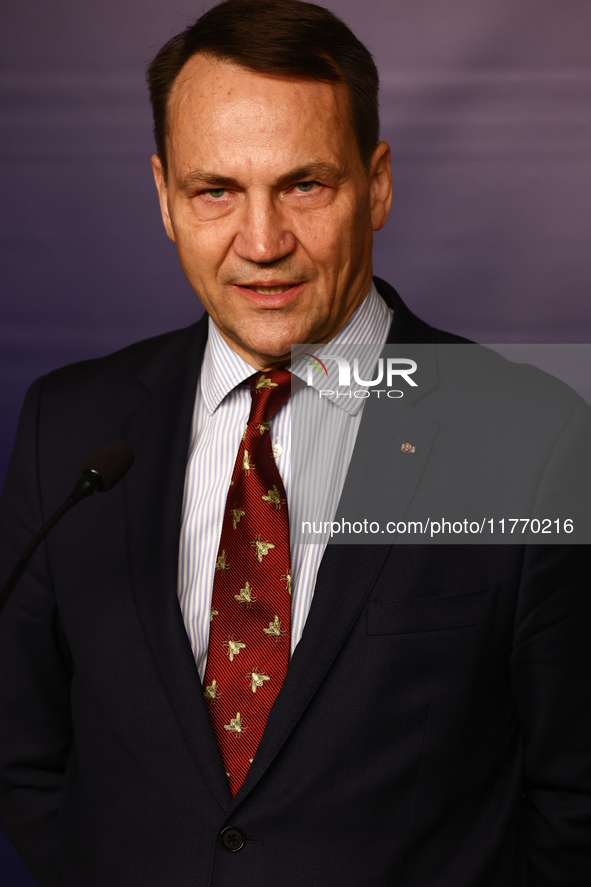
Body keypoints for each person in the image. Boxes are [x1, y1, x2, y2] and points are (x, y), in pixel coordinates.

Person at [0, 1, 590, 885]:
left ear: (377, 182)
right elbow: (27, 755)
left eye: (304, 184)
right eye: (216, 192)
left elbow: (574, 802)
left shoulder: (528, 433)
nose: (263, 243)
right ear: (164, 198)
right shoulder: (70, 426)